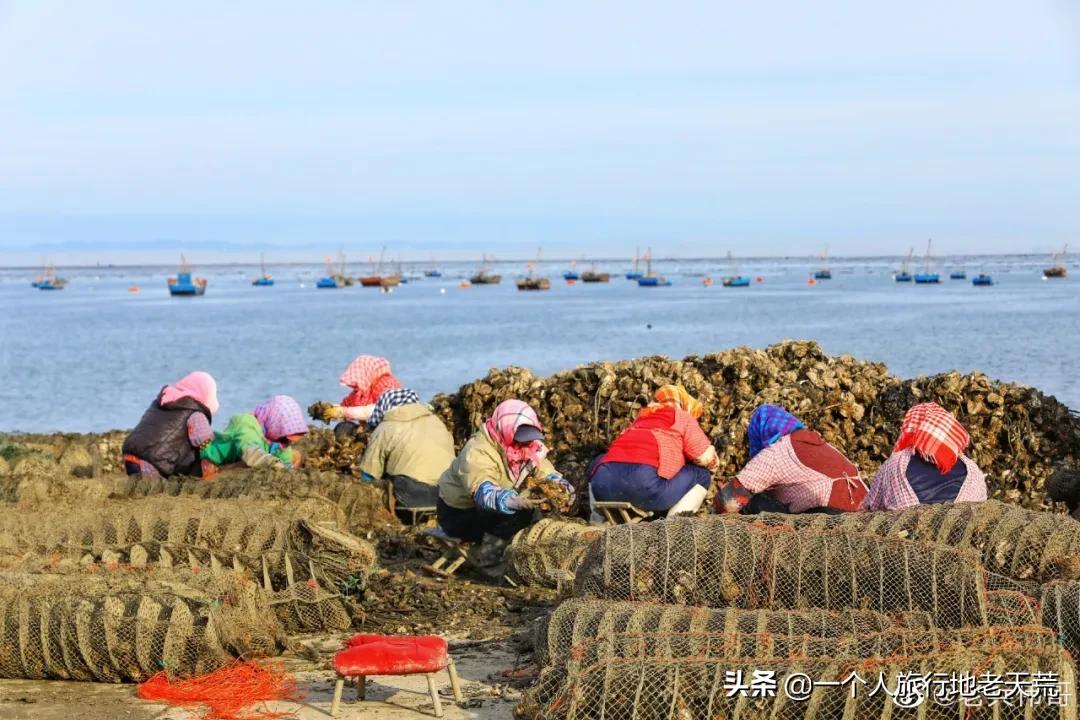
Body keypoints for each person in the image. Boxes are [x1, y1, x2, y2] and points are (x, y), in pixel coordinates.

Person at [437, 399, 570, 544]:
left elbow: (544, 470)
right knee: (516, 520)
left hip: (492, 508)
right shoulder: (477, 450)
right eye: (520, 439)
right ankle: (492, 554)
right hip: (461, 512)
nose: (525, 445)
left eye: (528, 439)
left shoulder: (529, 447)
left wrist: (561, 485)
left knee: (531, 512)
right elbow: (482, 490)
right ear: (505, 430)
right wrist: (511, 501)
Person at [588, 385, 718, 519]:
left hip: (602, 487)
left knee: (600, 462)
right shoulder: (682, 416)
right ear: (684, 403)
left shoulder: (641, 418)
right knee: (702, 475)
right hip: (645, 486)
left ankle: (597, 519)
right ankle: (673, 529)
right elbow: (704, 457)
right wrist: (714, 462)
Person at [715, 404, 867, 514]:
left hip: (827, 521)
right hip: (863, 516)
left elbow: (727, 500)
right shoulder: (824, 446)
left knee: (753, 502)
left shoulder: (778, 452)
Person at [863, 402, 987, 511]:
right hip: (958, 535)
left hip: (906, 534)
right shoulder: (972, 470)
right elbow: (981, 507)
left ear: (912, 428)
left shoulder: (895, 464)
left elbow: (871, 505)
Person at [358, 387, 456, 511]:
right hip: (447, 493)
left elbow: (369, 474)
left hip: (412, 496)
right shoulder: (437, 422)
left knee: (382, 481)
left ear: (384, 407)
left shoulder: (385, 428)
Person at [123, 371, 219, 478]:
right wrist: (210, 476)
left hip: (130, 456)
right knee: (200, 448)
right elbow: (206, 447)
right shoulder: (195, 413)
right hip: (152, 464)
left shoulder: (160, 402)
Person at [201, 395, 308, 477]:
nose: (286, 443)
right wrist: (276, 463)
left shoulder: (278, 439)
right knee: (251, 464)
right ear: (274, 423)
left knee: (295, 455)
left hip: (243, 458)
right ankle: (220, 471)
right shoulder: (246, 423)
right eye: (284, 439)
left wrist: (288, 468)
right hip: (211, 458)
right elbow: (251, 454)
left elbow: (285, 459)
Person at [323, 355, 404, 436]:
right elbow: (346, 405)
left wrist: (342, 412)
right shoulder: (364, 389)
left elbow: (376, 410)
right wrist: (328, 410)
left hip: (395, 431)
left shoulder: (386, 384)